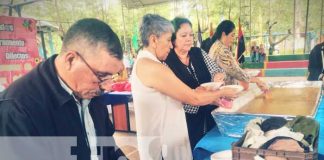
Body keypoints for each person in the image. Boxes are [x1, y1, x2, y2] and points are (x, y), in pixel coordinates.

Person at [0, 18, 126, 160]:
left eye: (111, 77)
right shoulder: (17, 109)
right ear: (70, 60)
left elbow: (107, 148)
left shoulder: (92, 92)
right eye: (101, 75)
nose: (107, 86)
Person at [131, 14, 238, 160]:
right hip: (163, 145)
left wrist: (203, 93)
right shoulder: (151, 66)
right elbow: (193, 98)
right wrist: (222, 92)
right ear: (154, 40)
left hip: (171, 139)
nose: (170, 45)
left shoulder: (151, 63)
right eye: (169, 40)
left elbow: (184, 94)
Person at [164, 17, 225, 150]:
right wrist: (204, 100)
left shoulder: (198, 52)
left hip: (210, 114)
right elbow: (175, 98)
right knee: (191, 150)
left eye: (191, 35)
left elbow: (216, 69)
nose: (189, 39)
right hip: (185, 121)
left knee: (209, 149)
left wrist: (217, 77)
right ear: (173, 38)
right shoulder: (167, 61)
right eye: (183, 35)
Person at [209, 20, 268, 91]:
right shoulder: (221, 50)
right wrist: (257, 80)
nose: (234, 39)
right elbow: (236, 72)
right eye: (232, 35)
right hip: (224, 93)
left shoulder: (216, 45)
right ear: (224, 34)